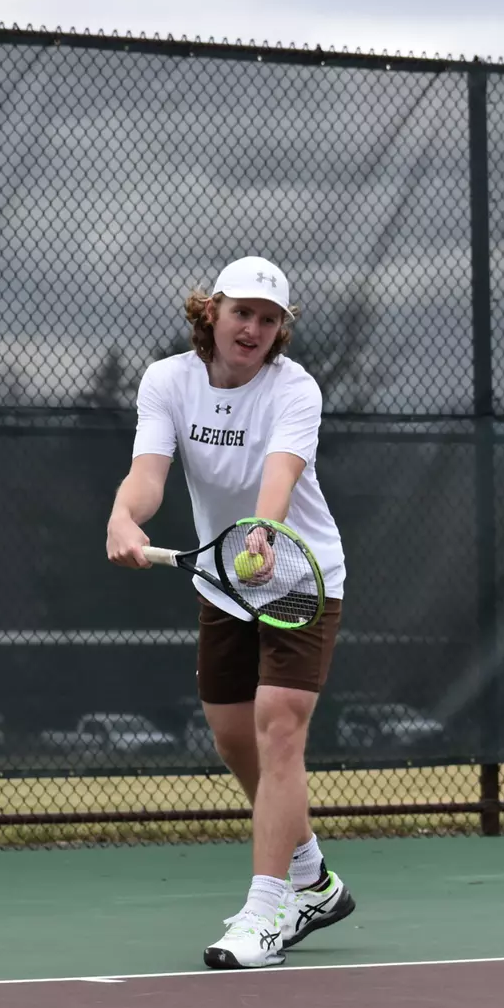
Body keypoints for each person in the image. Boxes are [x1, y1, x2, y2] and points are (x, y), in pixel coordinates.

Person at [105, 255, 355, 969]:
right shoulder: (167, 382)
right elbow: (149, 475)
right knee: (233, 737)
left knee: (279, 731)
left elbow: (281, 476)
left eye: (268, 319)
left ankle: (267, 912)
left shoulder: (295, 388)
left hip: (299, 577)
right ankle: (313, 879)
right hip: (224, 583)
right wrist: (123, 516)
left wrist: (261, 533)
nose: (253, 329)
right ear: (210, 312)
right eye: (242, 312)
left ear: (280, 331)